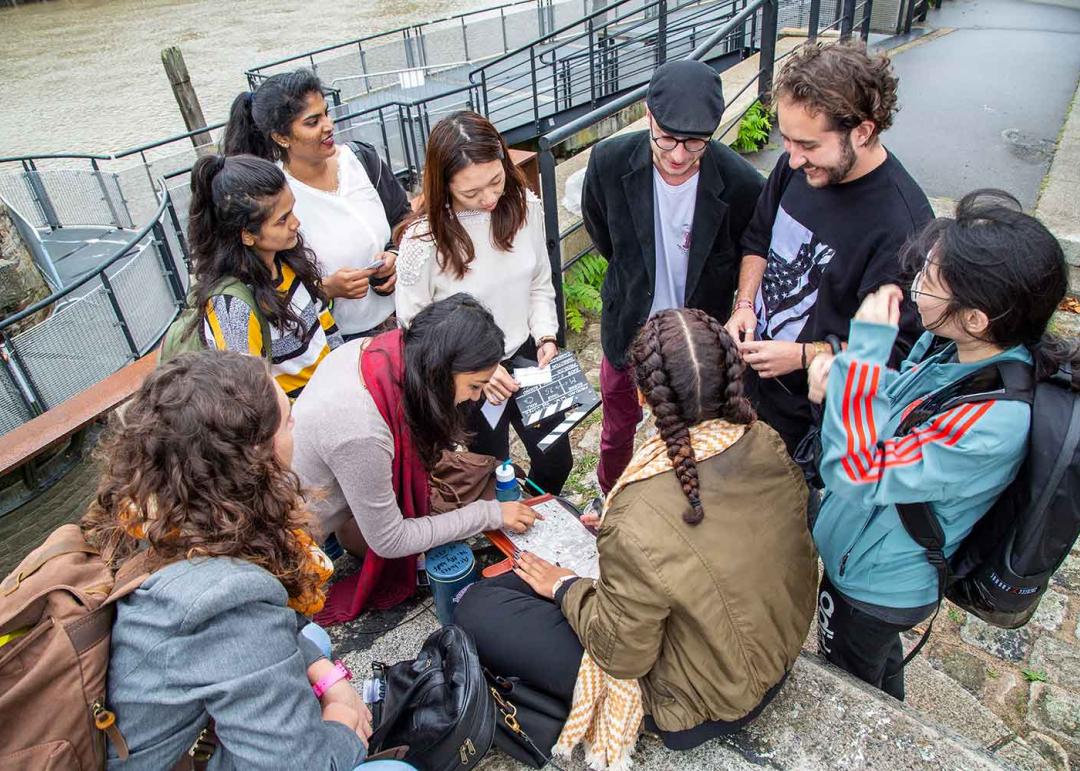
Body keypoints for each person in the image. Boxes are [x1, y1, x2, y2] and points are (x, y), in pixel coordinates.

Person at [456, 309, 817, 761]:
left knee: (478, 605)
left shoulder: (637, 513)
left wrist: (566, 586)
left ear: (645, 396)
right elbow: (706, 541)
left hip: (703, 698)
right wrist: (619, 537)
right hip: (774, 651)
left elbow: (622, 655)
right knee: (556, 531)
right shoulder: (764, 438)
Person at [806, 190, 1074, 700]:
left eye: (928, 279)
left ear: (975, 317)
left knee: (849, 681)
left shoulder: (994, 421)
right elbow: (902, 406)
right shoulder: (960, 350)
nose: (915, 286)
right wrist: (844, 381)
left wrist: (862, 357)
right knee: (876, 666)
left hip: (876, 584)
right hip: (869, 554)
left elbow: (858, 471)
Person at [80, 350, 381, 769]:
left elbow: (279, 631)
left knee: (316, 642)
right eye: (288, 419)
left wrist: (326, 675)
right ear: (257, 459)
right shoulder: (225, 601)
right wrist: (343, 721)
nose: (296, 425)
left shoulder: (153, 516)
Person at [726, 41, 933, 454]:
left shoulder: (902, 227)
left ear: (862, 131)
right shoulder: (795, 164)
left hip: (811, 416)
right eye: (786, 139)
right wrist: (744, 305)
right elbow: (758, 238)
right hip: (748, 383)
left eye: (808, 145)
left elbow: (896, 351)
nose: (793, 158)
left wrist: (802, 356)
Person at [292, 294, 540, 625]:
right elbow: (390, 539)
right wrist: (488, 514)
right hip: (295, 545)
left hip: (340, 505)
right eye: (474, 386)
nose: (477, 397)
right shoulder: (363, 430)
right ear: (440, 371)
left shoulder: (380, 351)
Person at [581, 59, 765, 495]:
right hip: (628, 324)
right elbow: (602, 232)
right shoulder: (607, 162)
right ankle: (613, 499)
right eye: (666, 138)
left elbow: (748, 251)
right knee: (617, 429)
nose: (679, 155)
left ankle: (678, 502)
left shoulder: (742, 183)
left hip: (695, 344)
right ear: (648, 115)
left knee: (693, 432)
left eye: (696, 143)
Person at [394, 111, 571, 495]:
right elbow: (413, 325)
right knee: (491, 467)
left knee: (557, 458)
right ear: (444, 186)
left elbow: (539, 279)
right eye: (471, 193)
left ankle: (542, 508)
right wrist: (478, 370)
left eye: (495, 180)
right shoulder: (423, 240)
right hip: (469, 374)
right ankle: (506, 524)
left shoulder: (523, 205)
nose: (490, 199)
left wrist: (546, 336)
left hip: (527, 355)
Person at [223, 69, 410, 340]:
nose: (328, 125)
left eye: (326, 113)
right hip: (342, 340)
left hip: (403, 315)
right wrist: (326, 289)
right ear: (281, 137)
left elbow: (403, 218)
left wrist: (395, 253)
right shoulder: (274, 198)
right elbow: (266, 284)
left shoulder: (362, 159)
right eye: (312, 122)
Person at [187, 153, 342, 398]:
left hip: (332, 392)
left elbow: (323, 323)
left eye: (292, 211)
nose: (296, 223)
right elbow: (252, 395)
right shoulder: (232, 308)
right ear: (247, 234)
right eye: (282, 220)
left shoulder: (288, 258)